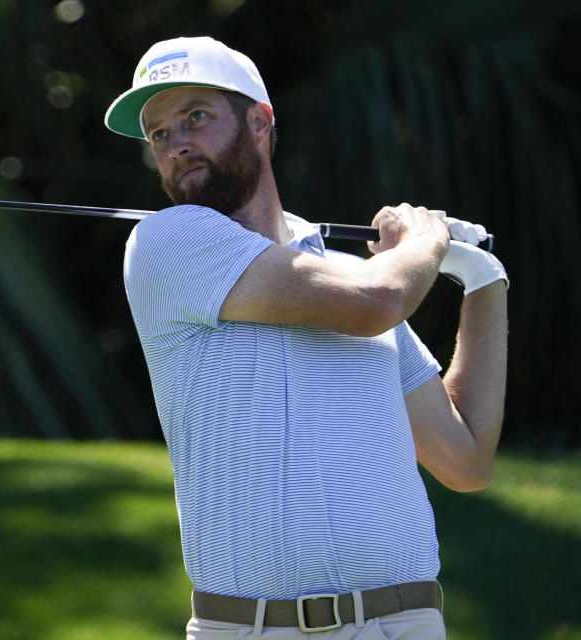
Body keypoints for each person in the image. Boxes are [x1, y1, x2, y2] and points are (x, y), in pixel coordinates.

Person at [104, 36, 508, 639]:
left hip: (401, 626)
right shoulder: (170, 241)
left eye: (196, 117)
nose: (177, 143)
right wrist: (425, 243)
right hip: (249, 630)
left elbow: (467, 458)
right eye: (159, 134)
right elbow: (380, 301)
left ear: (260, 122)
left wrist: (483, 281)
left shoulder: (349, 276)